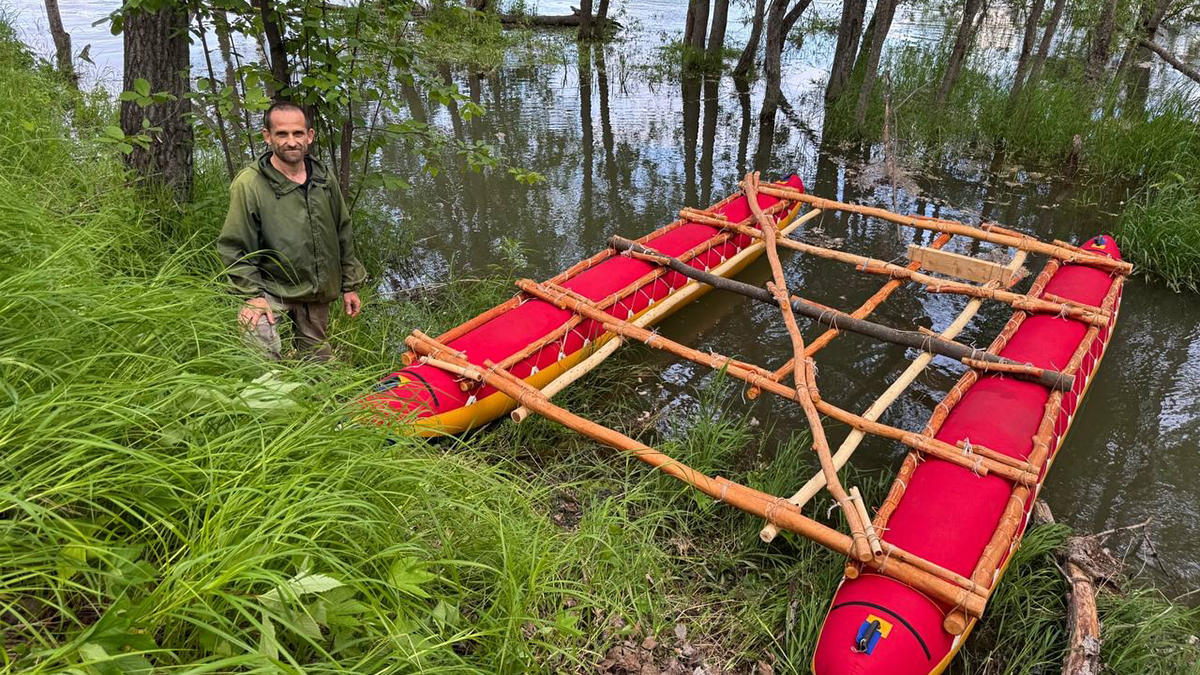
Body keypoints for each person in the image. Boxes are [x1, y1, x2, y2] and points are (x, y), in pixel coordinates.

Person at [218, 100, 367, 362]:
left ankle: (316, 396)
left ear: (309, 136)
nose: (291, 141)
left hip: (315, 288)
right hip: (270, 288)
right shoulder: (250, 184)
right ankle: (271, 391)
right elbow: (235, 247)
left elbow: (342, 231)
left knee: (318, 364)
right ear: (267, 136)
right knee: (257, 335)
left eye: (298, 133)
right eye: (282, 134)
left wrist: (349, 285)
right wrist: (252, 296)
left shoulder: (323, 178)